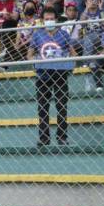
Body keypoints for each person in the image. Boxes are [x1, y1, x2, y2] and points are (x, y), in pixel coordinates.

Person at [29, 9, 79, 145]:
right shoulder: (37, 35)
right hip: (42, 75)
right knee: (42, 107)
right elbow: (29, 55)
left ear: (56, 20)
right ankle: (44, 138)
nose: (49, 21)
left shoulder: (64, 34)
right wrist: (35, 63)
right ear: (43, 20)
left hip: (60, 74)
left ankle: (62, 137)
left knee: (62, 106)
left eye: (51, 18)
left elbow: (73, 53)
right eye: (46, 19)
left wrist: (71, 64)